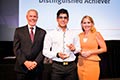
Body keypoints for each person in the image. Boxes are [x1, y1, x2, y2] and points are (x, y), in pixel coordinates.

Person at [43, 8, 81, 80]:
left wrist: (74, 49)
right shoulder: (50, 34)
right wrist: (57, 55)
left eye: (65, 18)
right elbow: (45, 51)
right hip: (56, 67)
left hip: (71, 67)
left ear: (68, 20)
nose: (63, 20)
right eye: (61, 17)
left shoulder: (74, 34)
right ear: (57, 19)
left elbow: (79, 48)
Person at [13, 9, 46, 80]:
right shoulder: (18, 31)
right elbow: (16, 48)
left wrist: (35, 62)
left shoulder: (42, 32)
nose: (32, 18)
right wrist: (25, 62)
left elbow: (44, 49)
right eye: (30, 16)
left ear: (37, 18)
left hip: (37, 69)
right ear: (27, 17)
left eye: (35, 16)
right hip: (21, 69)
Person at [77, 15, 107, 80]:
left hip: (92, 64)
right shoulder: (79, 35)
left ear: (92, 24)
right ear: (82, 24)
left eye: (88, 22)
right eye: (84, 23)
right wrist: (80, 52)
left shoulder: (96, 34)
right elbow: (78, 48)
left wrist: (90, 52)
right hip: (80, 64)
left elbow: (104, 49)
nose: (86, 25)